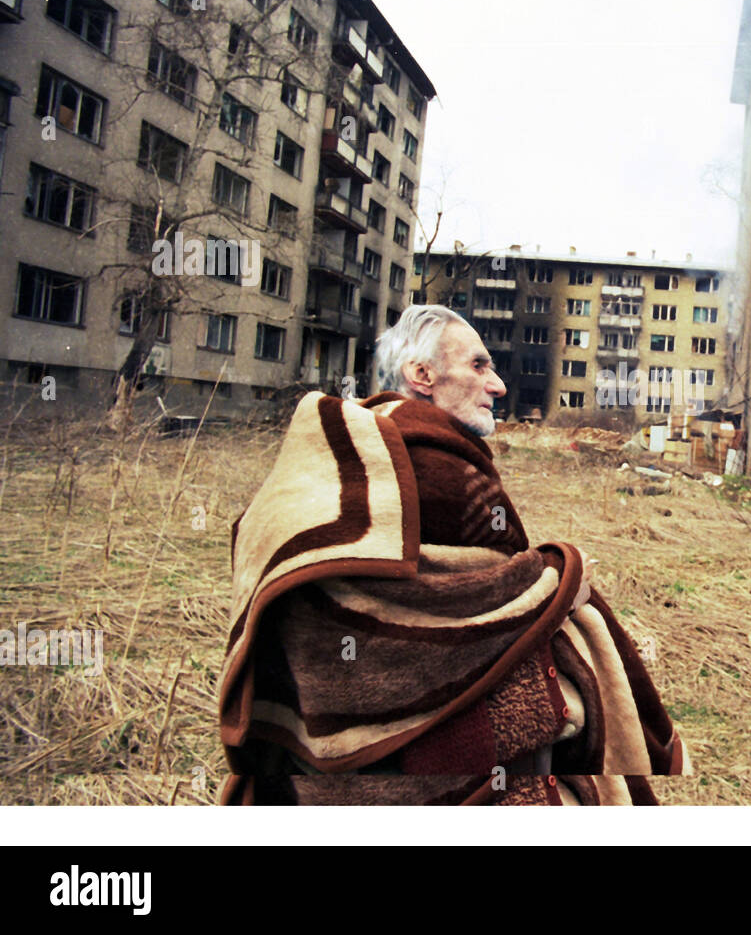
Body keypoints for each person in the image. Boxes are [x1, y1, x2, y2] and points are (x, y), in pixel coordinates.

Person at [218, 305, 688, 805]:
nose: (499, 385)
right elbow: (487, 598)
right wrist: (560, 573)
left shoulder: (361, 446)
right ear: (422, 375)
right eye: (479, 366)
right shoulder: (442, 471)